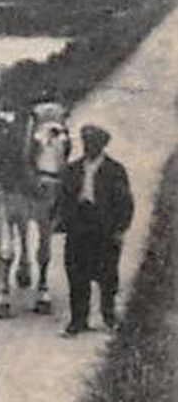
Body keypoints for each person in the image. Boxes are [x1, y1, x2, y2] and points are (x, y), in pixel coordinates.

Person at [55, 124, 134, 336]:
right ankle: (78, 320)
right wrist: (60, 220)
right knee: (76, 273)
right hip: (79, 224)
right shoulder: (72, 169)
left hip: (104, 225)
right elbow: (62, 197)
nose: (89, 147)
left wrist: (120, 228)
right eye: (86, 142)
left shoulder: (115, 170)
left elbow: (125, 202)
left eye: (94, 143)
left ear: (102, 145)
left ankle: (109, 317)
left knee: (107, 274)